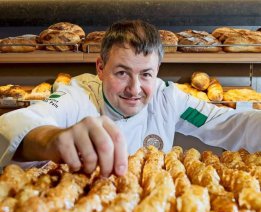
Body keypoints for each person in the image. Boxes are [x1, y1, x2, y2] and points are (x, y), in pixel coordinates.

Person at [0, 19, 261, 176]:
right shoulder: (78, 95)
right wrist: (53, 140)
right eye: (122, 72)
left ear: (157, 71)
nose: (135, 89)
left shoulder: (168, 98)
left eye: (146, 74)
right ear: (100, 68)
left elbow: (227, 124)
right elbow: (24, 123)